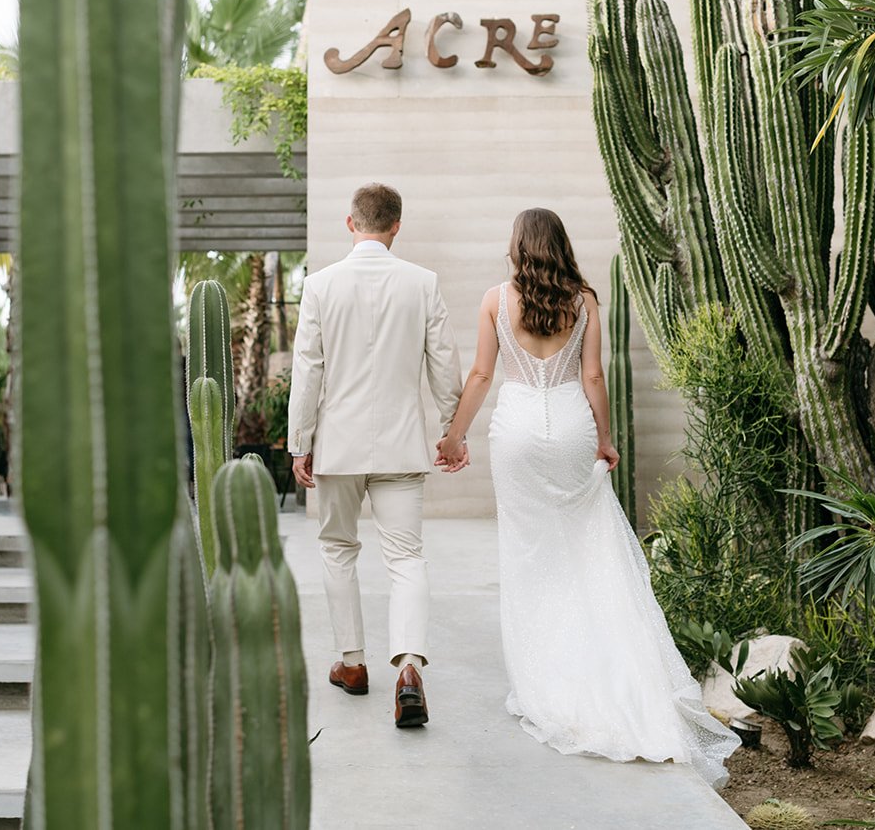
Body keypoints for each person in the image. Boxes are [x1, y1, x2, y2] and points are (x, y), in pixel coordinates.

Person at [436, 208, 740, 784]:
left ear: (517, 247)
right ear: (561, 246)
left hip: (518, 431)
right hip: (572, 428)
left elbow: (480, 376)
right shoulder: (584, 300)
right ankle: (613, 672)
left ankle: (545, 677)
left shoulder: (495, 300)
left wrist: (454, 437)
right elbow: (594, 376)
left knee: (529, 555)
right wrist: (604, 440)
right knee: (586, 548)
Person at [287, 182, 466, 728]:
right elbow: (444, 363)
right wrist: (450, 429)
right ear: (396, 227)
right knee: (406, 557)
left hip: (336, 448)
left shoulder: (319, 286)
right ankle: (409, 667)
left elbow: (308, 370)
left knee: (339, 549)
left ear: (350, 224)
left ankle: (354, 664)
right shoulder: (422, 283)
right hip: (400, 445)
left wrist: (301, 442)